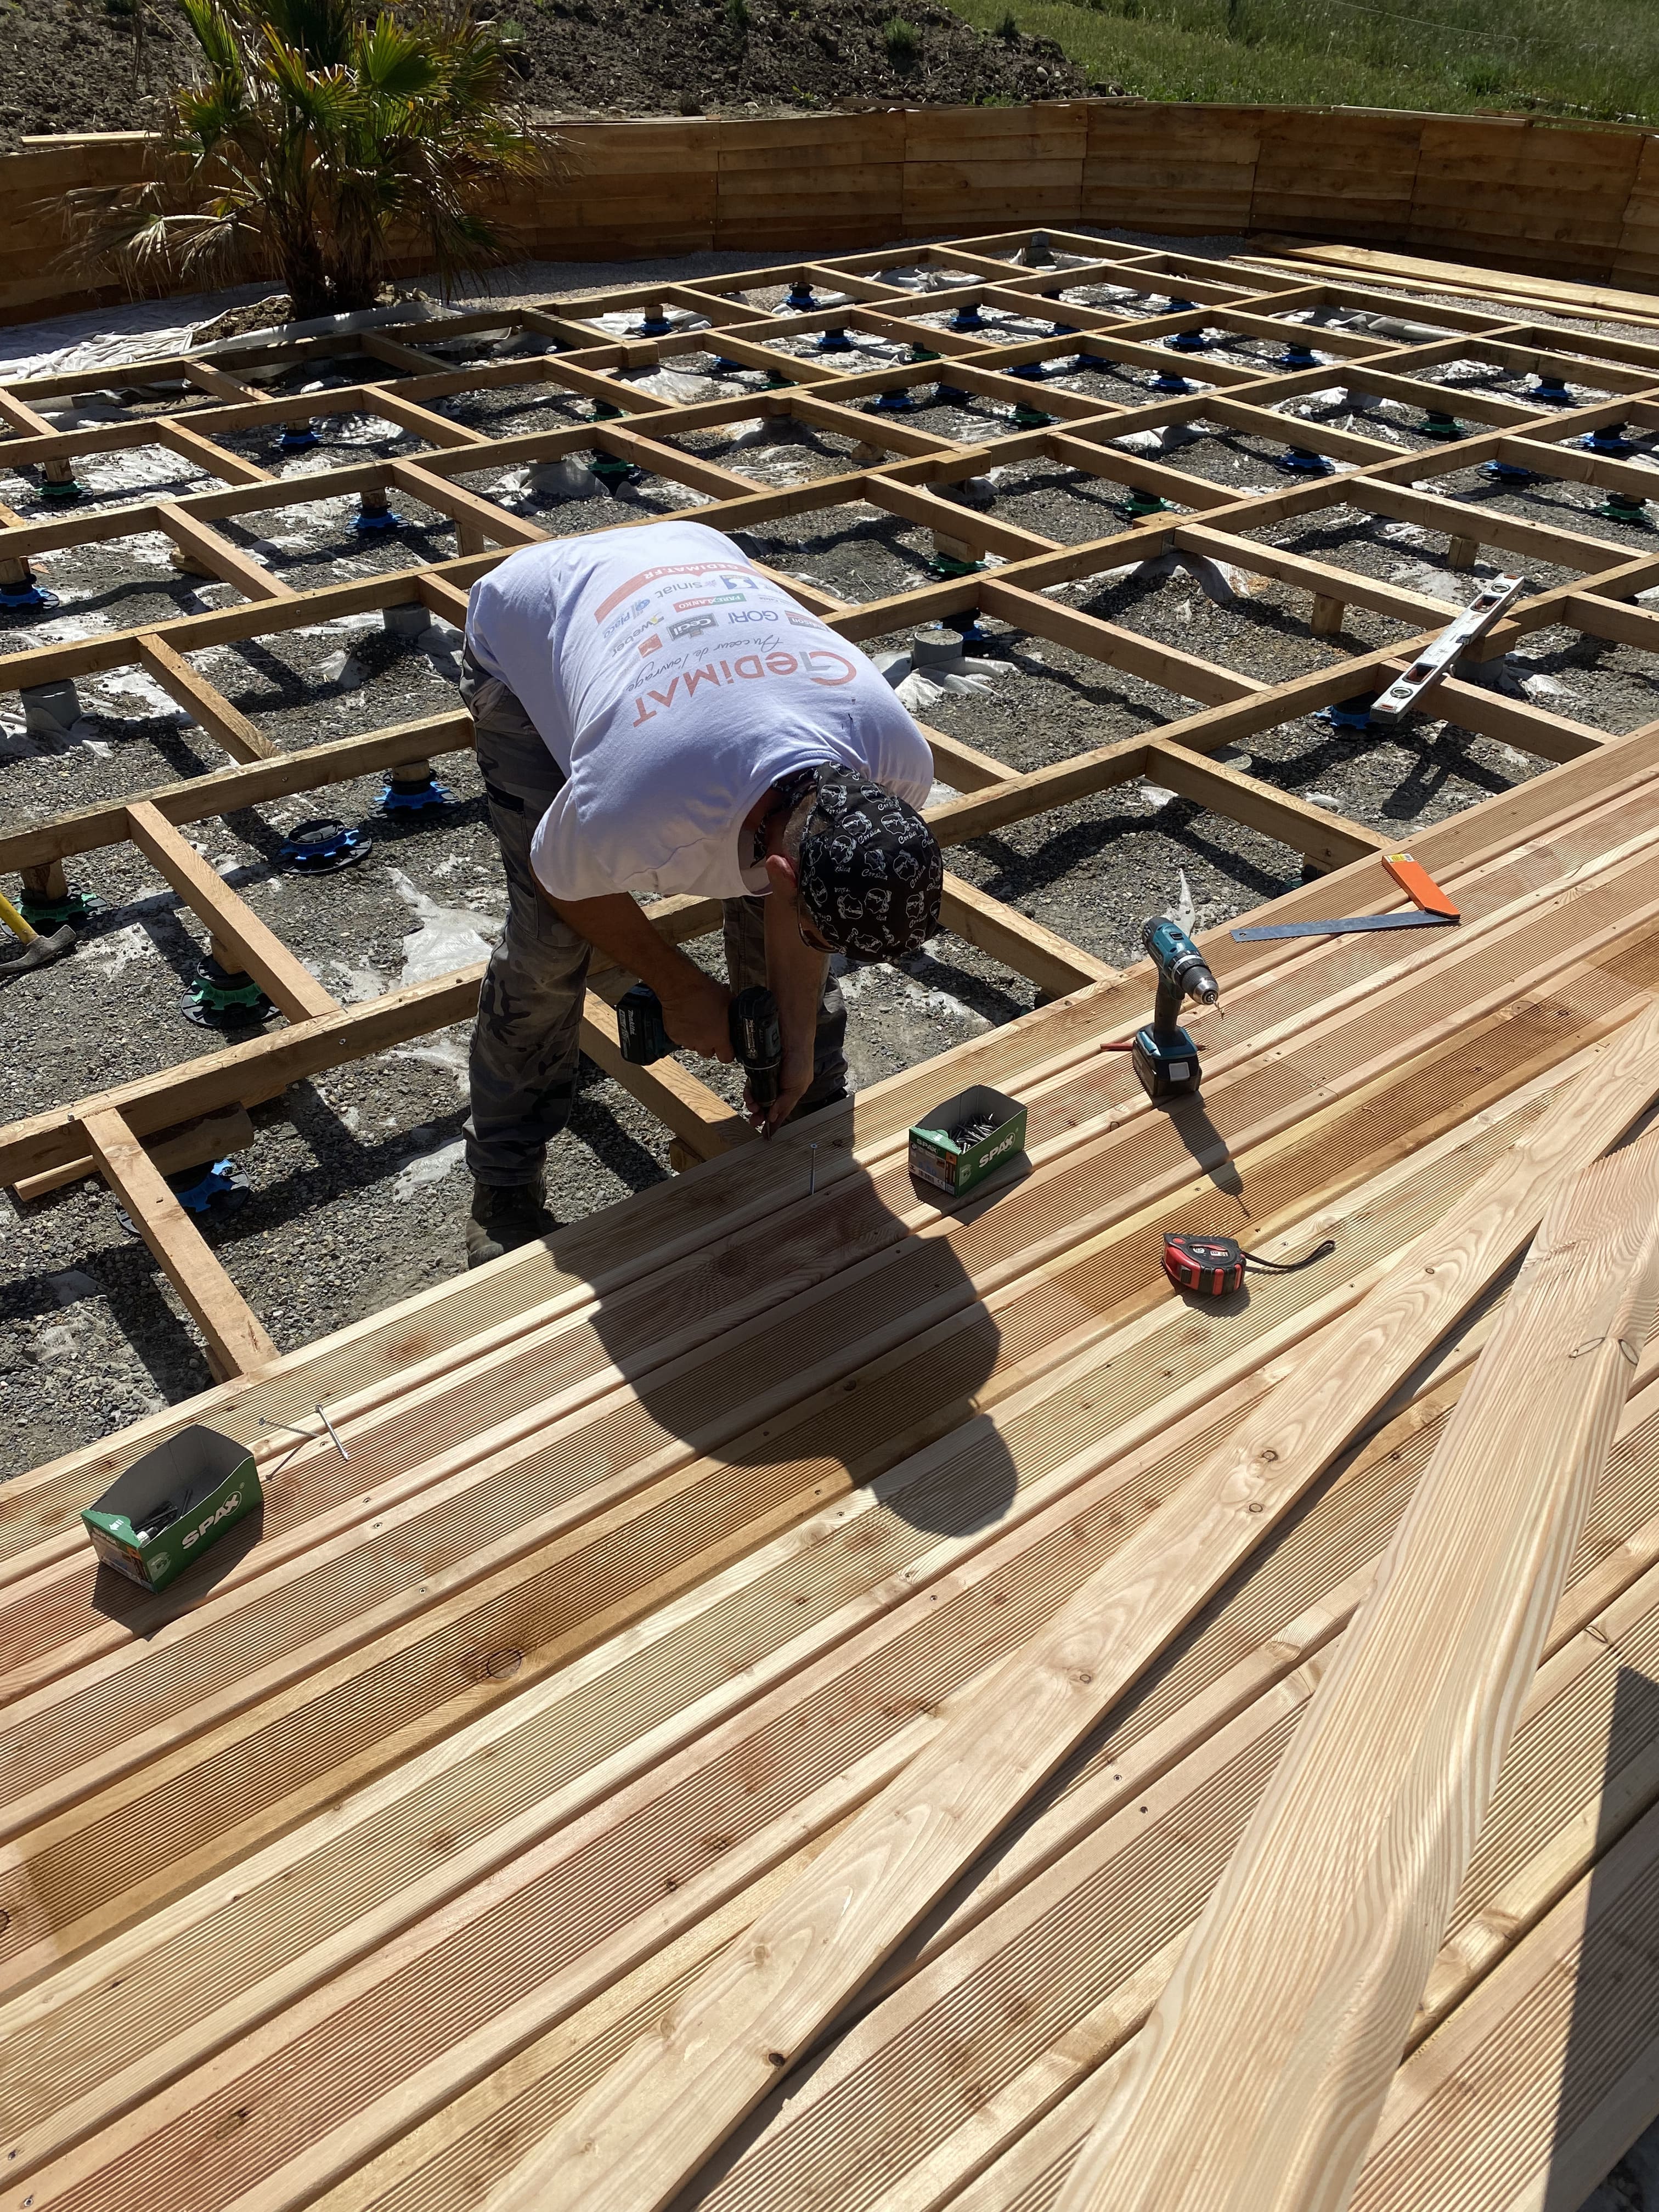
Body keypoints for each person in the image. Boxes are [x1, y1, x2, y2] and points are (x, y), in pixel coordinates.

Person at [459, 516, 945, 1267]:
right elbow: (565, 885)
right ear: (781, 874)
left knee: (783, 926)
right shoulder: (643, 806)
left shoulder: (895, 764)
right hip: (530, 624)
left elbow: (791, 906)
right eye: (816, 928)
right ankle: (504, 1185)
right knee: (547, 950)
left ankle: (799, 1094)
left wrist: (797, 1045)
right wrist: (678, 987)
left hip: (691, 563)